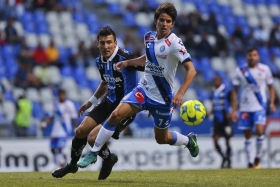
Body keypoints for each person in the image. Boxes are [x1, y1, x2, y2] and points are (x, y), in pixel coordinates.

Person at [77, 3, 198, 169]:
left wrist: (180, 93)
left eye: (168, 21)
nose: (164, 24)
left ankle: (188, 140)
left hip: (162, 98)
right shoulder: (148, 37)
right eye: (161, 20)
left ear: (172, 24)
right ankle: (94, 152)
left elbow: (191, 71)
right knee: (116, 114)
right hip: (144, 90)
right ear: (156, 20)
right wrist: (127, 63)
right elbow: (148, 58)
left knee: (162, 139)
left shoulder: (175, 43)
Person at [52, 26, 144, 179]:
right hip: (108, 102)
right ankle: (72, 165)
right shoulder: (100, 61)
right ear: (97, 44)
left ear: (115, 43)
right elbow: (104, 83)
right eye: (102, 43)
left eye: (109, 42)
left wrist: (148, 101)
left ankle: (108, 160)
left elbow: (150, 70)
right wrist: (90, 102)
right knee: (80, 131)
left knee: (92, 138)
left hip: (126, 107)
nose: (106, 46)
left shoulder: (126, 58)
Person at [231, 47, 276, 168]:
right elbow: (234, 91)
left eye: (254, 55)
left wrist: (271, 103)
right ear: (246, 56)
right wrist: (234, 110)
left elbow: (271, 88)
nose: (252, 57)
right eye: (250, 55)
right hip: (245, 107)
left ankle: (258, 157)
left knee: (260, 131)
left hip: (260, 106)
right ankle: (250, 162)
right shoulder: (240, 70)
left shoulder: (265, 69)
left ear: (258, 56)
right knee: (248, 135)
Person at [40, 89, 78, 167]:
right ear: (58, 95)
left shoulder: (69, 104)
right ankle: (60, 161)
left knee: (60, 147)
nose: (62, 96)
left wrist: (76, 128)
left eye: (63, 94)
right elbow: (50, 117)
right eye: (60, 95)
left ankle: (61, 163)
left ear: (65, 95)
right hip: (55, 130)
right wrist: (44, 124)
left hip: (64, 130)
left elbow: (74, 117)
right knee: (52, 148)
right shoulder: (55, 105)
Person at [207, 75, 232, 168]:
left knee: (227, 141)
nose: (215, 82)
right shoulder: (212, 92)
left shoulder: (226, 91)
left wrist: (232, 112)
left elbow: (233, 101)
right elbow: (214, 105)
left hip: (226, 119)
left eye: (216, 80)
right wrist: (210, 112)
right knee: (215, 141)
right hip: (216, 120)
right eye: (214, 80)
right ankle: (224, 157)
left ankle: (229, 162)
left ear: (221, 81)